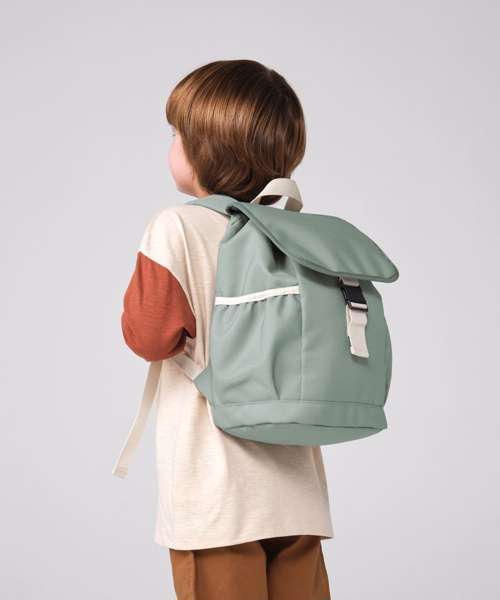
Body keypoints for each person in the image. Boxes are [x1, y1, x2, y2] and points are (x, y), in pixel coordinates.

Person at [120, 59, 334, 600]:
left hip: (217, 494)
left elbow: (148, 335)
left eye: (176, 133)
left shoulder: (178, 226)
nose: (172, 144)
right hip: (298, 492)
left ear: (203, 148)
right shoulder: (298, 235)